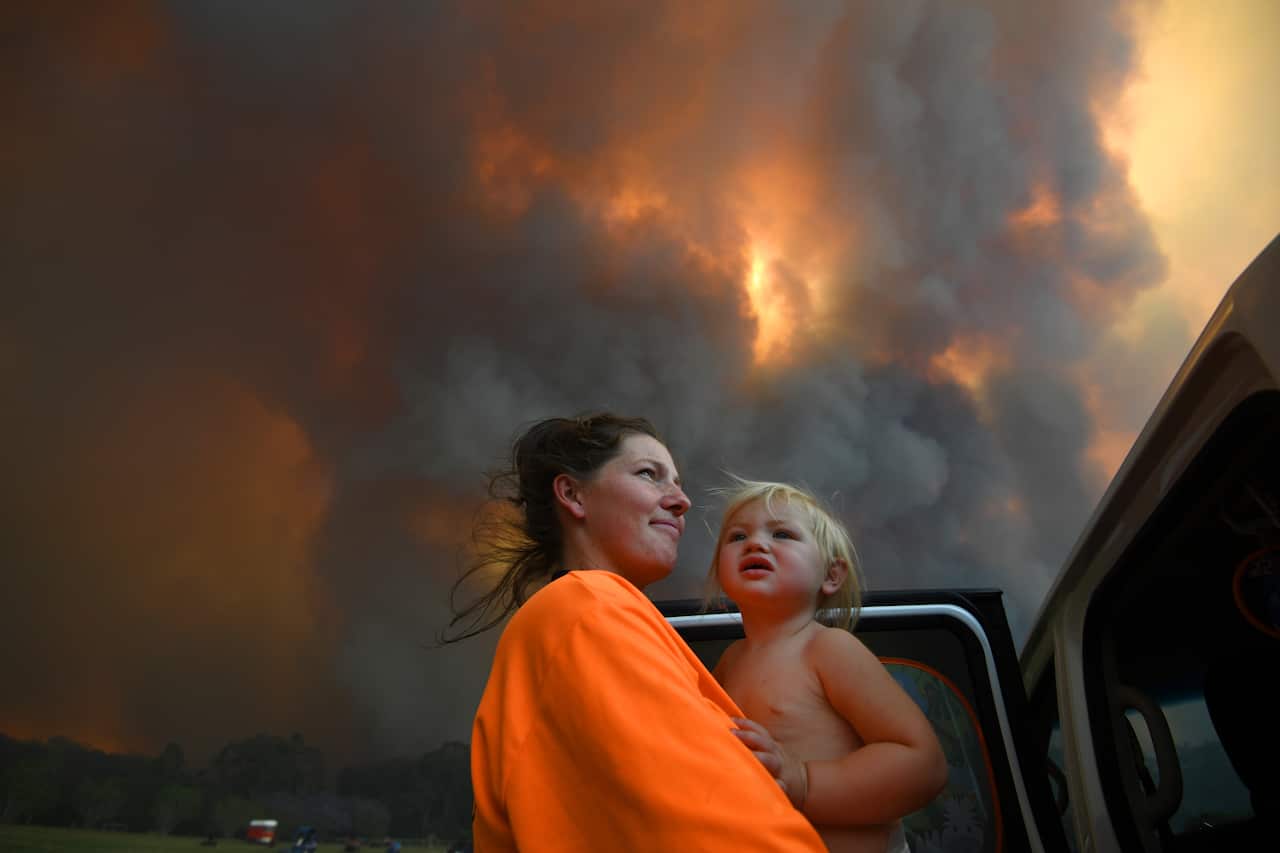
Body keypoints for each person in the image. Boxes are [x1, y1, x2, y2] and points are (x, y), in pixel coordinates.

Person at [451, 413, 825, 851]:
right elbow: (713, 827)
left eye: (678, 482)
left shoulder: (580, 614)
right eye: (650, 475)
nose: (681, 500)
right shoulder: (589, 608)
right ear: (572, 494)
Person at [707, 478, 948, 853]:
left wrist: (804, 781)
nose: (755, 543)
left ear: (831, 575)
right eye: (737, 537)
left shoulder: (829, 649)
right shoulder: (729, 663)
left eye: (783, 534)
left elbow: (923, 764)